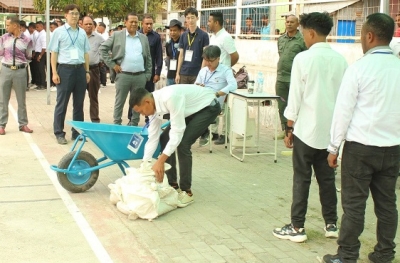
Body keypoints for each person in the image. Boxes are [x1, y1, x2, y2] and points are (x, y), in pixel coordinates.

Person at [322, 13, 400, 263]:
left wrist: (333, 147)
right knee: (387, 204)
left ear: (369, 35)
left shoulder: (359, 68)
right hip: (393, 148)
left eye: (362, 36)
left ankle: (346, 256)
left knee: (354, 205)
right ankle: (385, 253)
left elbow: (342, 112)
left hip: (360, 148)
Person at [272, 12, 348, 243]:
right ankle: (331, 224)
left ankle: (297, 227)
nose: (303, 37)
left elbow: (294, 98)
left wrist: (289, 128)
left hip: (306, 131)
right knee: (327, 179)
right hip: (330, 134)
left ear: (311, 33)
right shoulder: (341, 60)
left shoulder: (303, 59)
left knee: (301, 179)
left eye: (304, 32)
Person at [131, 85, 221, 207]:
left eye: (141, 111)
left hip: (207, 107)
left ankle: (187, 192)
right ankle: (173, 184)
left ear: (147, 102)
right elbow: (153, 137)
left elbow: (177, 132)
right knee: (164, 138)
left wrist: (160, 161)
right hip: (189, 109)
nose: (142, 114)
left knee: (183, 143)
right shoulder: (152, 106)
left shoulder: (170, 98)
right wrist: (145, 162)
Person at [48, 4, 91, 144]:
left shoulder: (82, 32)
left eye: (77, 13)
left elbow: (86, 53)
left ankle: (76, 133)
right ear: (65, 15)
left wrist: (87, 71)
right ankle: (59, 133)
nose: (74, 16)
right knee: (62, 103)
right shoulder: (59, 32)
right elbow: (53, 54)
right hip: (65, 70)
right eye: (72, 13)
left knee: (79, 104)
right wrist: (54, 73)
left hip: (80, 71)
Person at [99, 12, 152, 126]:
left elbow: (148, 57)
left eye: (135, 22)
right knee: (120, 102)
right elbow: (103, 49)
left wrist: (147, 74)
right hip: (123, 75)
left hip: (140, 76)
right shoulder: (117, 35)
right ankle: (117, 124)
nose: (133, 24)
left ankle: (134, 124)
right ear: (125, 22)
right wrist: (113, 65)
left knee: (138, 102)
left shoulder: (143, 38)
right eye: (131, 21)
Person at [207, 11, 240, 145]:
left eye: (209, 21)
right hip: (213, 77)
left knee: (225, 107)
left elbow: (235, 56)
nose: (208, 23)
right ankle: (213, 132)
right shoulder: (213, 37)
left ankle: (226, 134)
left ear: (216, 22)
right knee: (213, 104)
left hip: (224, 78)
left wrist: (225, 69)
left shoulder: (225, 37)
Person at [195, 45, 237, 146]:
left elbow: (233, 85)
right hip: (201, 100)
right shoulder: (203, 71)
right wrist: (199, 86)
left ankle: (204, 132)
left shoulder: (225, 70)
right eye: (206, 60)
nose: (208, 63)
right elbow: (195, 85)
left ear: (218, 59)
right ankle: (201, 132)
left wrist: (218, 93)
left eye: (211, 61)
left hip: (215, 103)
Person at [126, 14, 163, 125]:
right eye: (147, 24)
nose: (149, 26)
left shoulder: (156, 37)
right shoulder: (136, 35)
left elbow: (159, 56)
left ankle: (149, 120)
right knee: (135, 96)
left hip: (149, 73)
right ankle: (131, 119)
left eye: (151, 24)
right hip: (136, 72)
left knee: (149, 96)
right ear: (142, 23)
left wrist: (157, 73)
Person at [0, 16, 34, 135]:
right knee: (3, 99)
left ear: (15, 26)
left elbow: (29, 56)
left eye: (8, 25)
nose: (6, 27)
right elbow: (0, 53)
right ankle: (1, 125)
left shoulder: (27, 40)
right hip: (6, 70)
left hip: (20, 71)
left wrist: (21, 64)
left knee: (21, 99)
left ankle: (23, 124)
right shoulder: (3, 38)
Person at [275, 15, 307, 139]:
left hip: (294, 78)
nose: (289, 24)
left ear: (298, 24)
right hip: (281, 78)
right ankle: (285, 129)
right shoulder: (281, 39)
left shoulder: (302, 40)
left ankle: (295, 131)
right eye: (287, 22)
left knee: (296, 105)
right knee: (282, 105)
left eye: (292, 22)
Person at [175, 7, 209, 84]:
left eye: (192, 17)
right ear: (185, 19)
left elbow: (205, 56)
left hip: (197, 73)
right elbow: (181, 55)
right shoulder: (183, 35)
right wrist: (177, 73)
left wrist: (201, 74)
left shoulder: (204, 35)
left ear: (197, 18)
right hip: (184, 72)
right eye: (188, 18)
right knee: (183, 95)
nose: (190, 20)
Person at [83, 16, 104, 123]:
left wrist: (100, 59)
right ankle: (79, 121)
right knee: (79, 98)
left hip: (94, 70)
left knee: (93, 97)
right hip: (80, 71)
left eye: (90, 24)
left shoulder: (99, 38)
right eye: (86, 24)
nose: (88, 26)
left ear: (93, 25)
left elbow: (105, 51)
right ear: (81, 25)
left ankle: (95, 120)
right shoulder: (78, 37)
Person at [165, 19, 182, 86]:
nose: (172, 32)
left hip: (180, 75)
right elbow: (168, 57)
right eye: (171, 30)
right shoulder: (168, 44)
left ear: (179, 31)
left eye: (174, 30)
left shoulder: (183, 43)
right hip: (170, 75)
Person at [33, 21, 47, 90]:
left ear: (41, 26)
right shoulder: (40, 34)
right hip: (38, 52)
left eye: (37, 27)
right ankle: (40, 83)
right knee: (39, 69)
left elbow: (44, 47)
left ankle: (43, 84)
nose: (36, 28)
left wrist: (40, 55)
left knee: (41, 69)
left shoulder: (43, 34)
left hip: (41, 53)